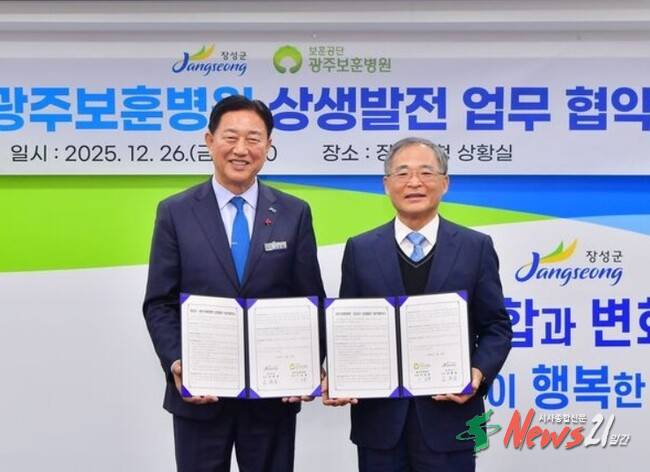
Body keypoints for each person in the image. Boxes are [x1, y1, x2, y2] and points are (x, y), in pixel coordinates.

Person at [143, 95, 325, 472]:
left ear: (268, 145)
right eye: (231, 137)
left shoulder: (294, 212)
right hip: (200, 395)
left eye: (253, 138)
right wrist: (177, 362)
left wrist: (308, 365)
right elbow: (160, 301)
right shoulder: (175, 211)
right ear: (210, 141)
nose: (241, 149)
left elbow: (311, 300)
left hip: (272, 397)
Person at [323, 137, 512, 472]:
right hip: (379, 422)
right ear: (386, 185)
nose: (414, 182)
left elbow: (496, 326)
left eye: (426, 173)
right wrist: (338, 376)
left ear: (445, 183)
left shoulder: (475, 247)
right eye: (402, 173)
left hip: (451, 418)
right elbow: (348, 329)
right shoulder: (360, 249)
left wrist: (477, 373)